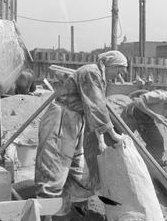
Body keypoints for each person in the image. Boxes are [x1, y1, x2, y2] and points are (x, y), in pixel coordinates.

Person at [35, 50, 128, 216]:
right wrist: (113, 134)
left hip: (75, 119)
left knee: (77, 170)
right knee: (54, 167)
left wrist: (101, 139)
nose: (119, 75)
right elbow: (96, 105)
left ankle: (73, 214)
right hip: (61, 119)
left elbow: (92, 107)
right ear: (110, 64)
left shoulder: (99, 75)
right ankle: (45, 214)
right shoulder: (91, 72)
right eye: (118, 70)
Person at [123, 88, 167, 164]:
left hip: (147, 120)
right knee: (123, 140)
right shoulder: (161, 96)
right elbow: (138, 101)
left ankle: (149, 165)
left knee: (157, 143)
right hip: (132, 113)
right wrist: (155, 115)